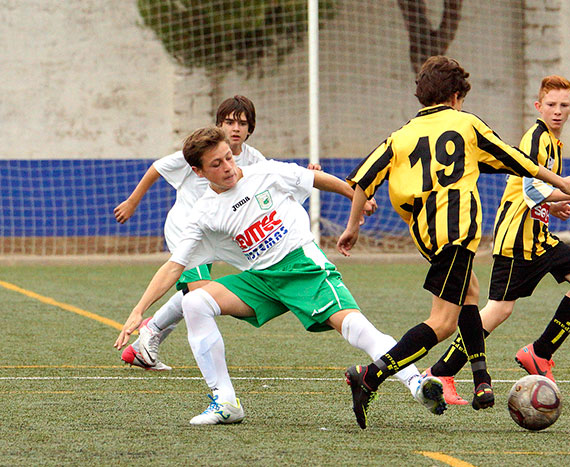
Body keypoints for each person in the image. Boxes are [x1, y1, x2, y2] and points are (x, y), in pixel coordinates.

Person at [114, 126, 446, 427]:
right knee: (195, 302)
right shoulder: (204, 211)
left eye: (228, 157)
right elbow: (175, 265)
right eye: (216, 164)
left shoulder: (266, 172)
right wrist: (139, 310)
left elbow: (315, 179)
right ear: (198, 172)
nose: (228, 167)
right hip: (260, 279)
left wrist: (354, 198)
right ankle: (226, 402)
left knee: (355, 327)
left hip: (302, 268)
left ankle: (417, 384)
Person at [336, 56, 570, 427]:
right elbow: (516, 159)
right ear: (455, 97)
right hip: (457, 229)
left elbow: (362, 180)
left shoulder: (401, 135)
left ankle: (482, 381)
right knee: (442, 323)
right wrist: (561, 182)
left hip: (425, 234)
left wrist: (353, 226)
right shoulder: (466, 123)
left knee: (470, 292)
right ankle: (369, 376)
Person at [114, 96, 320, 370]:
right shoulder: (199, 152)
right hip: (187, 229)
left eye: (242, 123)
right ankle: (153, 332)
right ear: (219, 125)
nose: (235, 128)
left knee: (219, 291)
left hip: (221, 235)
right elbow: (157, 168)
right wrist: (132, 202)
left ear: (250, 128)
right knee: (202, 294)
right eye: (229, 122)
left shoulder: (254, 159)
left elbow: (272, 189)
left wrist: (307, 178)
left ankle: (148, 338)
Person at [475, 75, 570, 383]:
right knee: (498, 311)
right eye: (551, 104)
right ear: (538, 106)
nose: (557, 110)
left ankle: (540, 353)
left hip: (539, 238)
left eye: (564, 105)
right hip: (517, 239)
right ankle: (441, 372)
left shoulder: (553, 142)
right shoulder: (536, 138)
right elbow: (531, 190)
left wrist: (554, 205)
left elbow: (533, 190)